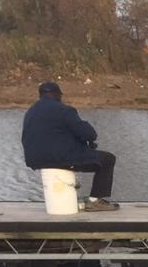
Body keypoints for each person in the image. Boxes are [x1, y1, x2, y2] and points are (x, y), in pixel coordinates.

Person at [21, 81, 120, 211]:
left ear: (40, 96)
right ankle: (95, 200)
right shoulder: (64, 110)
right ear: (57, 95)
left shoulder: (30, 112)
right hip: (60, 158)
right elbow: (88, 134)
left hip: (34, 159)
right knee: (107, 159)